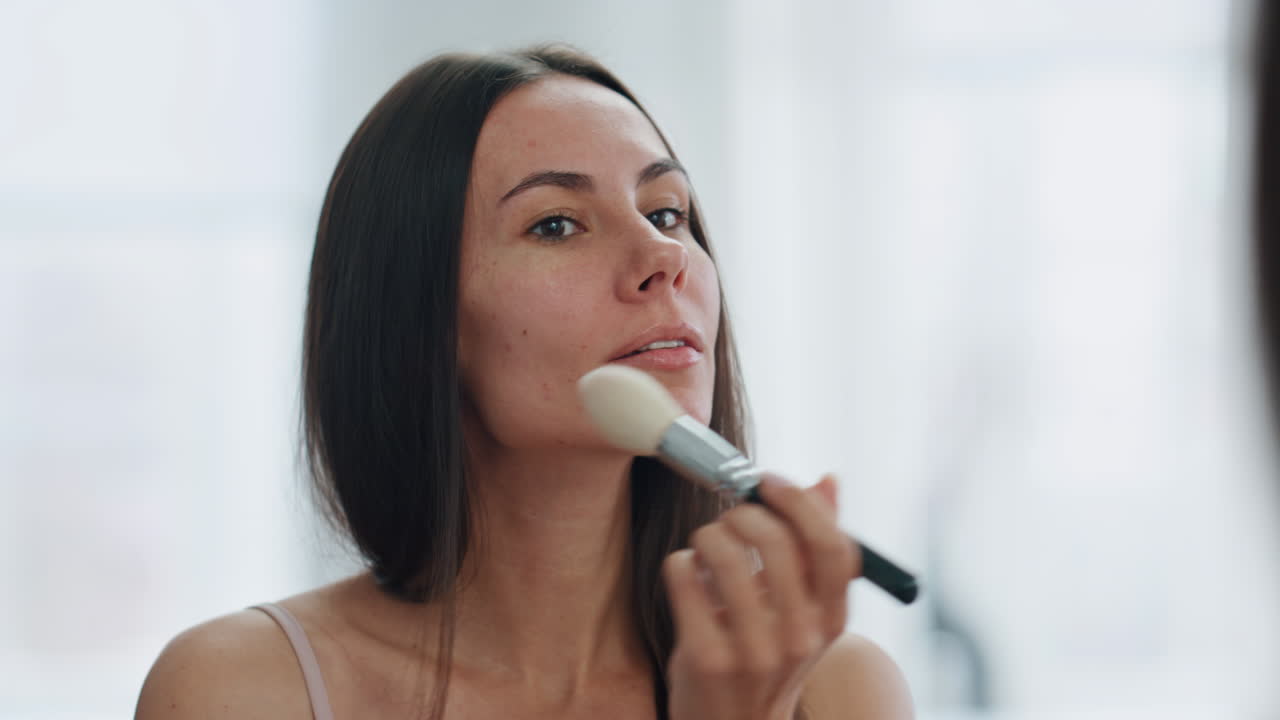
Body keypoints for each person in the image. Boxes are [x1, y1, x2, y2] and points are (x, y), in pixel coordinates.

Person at [134, 45, 913, 719]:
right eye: (556, 224)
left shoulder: (837, 690)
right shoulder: (241, 688)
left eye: (666, 212)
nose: (664, 257)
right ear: (420, 322)